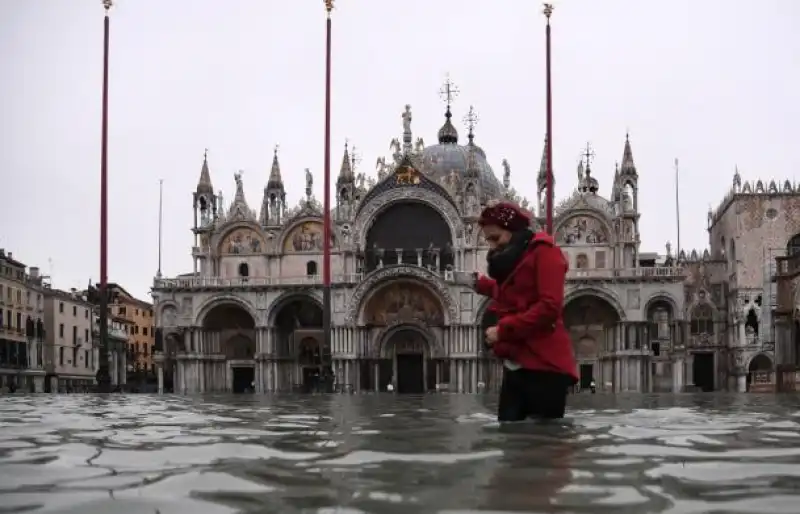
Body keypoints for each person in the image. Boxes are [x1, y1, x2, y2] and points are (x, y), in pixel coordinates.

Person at [474, 201, 578, 422]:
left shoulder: (545, 253)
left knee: (542, 443)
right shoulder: (515, 258)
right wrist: (480, 284)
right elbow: (516, 293)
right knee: (510, 439)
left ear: (513, 231)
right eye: (488, 240)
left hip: (545, 365)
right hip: (517, 362)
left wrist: (502, 331)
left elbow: (549, 307)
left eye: (496, 238)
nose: (492, 246)